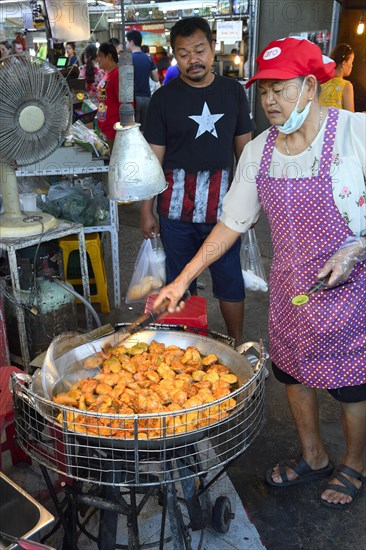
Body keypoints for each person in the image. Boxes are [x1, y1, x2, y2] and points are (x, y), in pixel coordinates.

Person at [153, 36, 366, 510]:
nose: (269, 101)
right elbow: (230, 223)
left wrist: (358, 246)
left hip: (353, 289)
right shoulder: (260, 153)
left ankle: (355, 461)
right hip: (292, 289)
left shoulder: (355, 134)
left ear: (310, 86)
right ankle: (313, 456)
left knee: (354, 383)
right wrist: (183, 279)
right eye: (263, 91)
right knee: (291, 375)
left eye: (280, 89)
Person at [141, 17, 255, 346]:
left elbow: (245, 154)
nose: (193, 59)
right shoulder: (163, 99)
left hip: (225, 209)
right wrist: (146, 211)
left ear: (213, 48)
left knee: (230, 279)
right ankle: (186, 345)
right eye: (184, 53)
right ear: (174, 57)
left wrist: (249, 203)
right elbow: (153, 160)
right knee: (180, 282)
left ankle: (238, 343)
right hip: (175, 209)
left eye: (199, 50)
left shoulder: (234, 92)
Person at [126, 30, 159, 132]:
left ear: (131, 42)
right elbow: (156, 78)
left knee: (133, 129)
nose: (126, 44)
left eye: (127, 42)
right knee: (144, 130)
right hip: (146, 98)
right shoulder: (148, 58)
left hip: (133, 99)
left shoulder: (128, 59)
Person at [96, 42, 120, 150]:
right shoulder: (107, 73)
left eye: (100, 56)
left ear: (109, 56)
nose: (97, 59)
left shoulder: (117, 74)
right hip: (105, 126)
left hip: (114, 129)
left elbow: (124, 102)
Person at [319, 43, 355, 111]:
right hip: (337, 121)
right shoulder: (346, 86)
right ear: (344, 64)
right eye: (352, 61)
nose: (352, 66)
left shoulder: (321, 82)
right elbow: (350, 116)